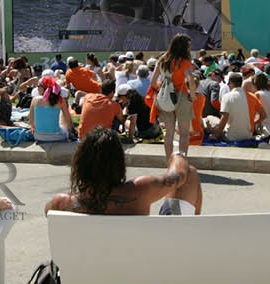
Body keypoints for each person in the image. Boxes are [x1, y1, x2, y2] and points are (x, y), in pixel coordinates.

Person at [45, 128, 203, 215]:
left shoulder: (60, 203)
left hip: (87, 269)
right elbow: (180, 175)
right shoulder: (140, 189)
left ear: (80, 164)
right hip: (137, 265)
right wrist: (177, 155)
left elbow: (48, 212)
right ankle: (188, 241)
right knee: (190, 173)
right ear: (119, 163)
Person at [154, 34, 196, 158]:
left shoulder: (162, 59)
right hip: (182, 96)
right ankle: (182, 162)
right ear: (184, 47)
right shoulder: (184, 62)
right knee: (184, 133)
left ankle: (169, 162)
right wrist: (192, 95)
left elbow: (153, 81)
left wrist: (163, 89)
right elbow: (191, 80)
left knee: (169, 134)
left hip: (164, 98)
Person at [77, 76, 124, 141]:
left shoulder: (88, 97)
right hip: (102, 139)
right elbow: (122, 119)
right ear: (112, 92)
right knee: (116, 119)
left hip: (82, 137)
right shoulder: (114, 105)